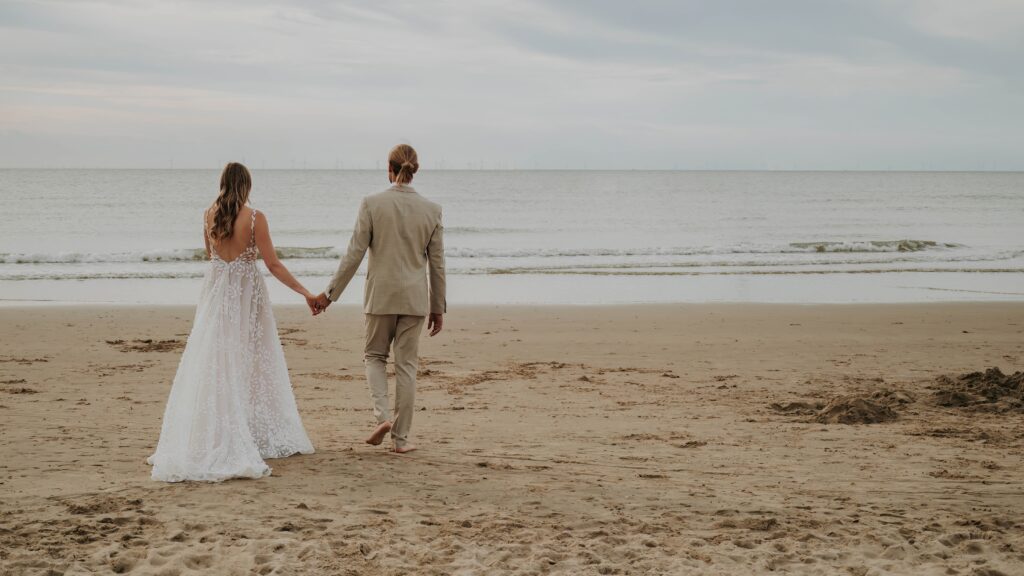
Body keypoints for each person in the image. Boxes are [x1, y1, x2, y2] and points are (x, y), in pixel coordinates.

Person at [148, 162, 315, 482]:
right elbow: (274, 264)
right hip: (246, 295)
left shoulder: (208, 215)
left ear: (222, 183)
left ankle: (213, 431)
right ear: (247, 185)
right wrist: (306, 292)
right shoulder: (255, 218)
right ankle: (238, 433)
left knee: (216, 360)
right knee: (250, 361)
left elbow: (209, 254)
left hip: (215, 295)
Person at [314, 144, 446, 454]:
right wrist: (437, 307)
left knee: (374, 357)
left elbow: (354, 254)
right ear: (415, 171)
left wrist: (329, 295)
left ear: (389, 169)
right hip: (415, 300)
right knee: (407, 367)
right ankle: (400, 441)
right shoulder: (432, 210)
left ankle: (383, 417)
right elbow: (437, 263)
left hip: (380, 296)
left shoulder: (372, 204)